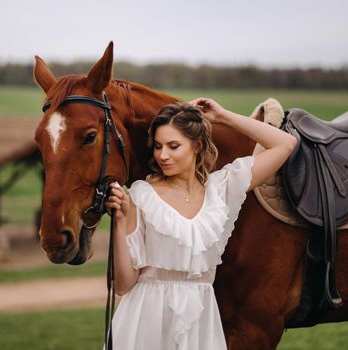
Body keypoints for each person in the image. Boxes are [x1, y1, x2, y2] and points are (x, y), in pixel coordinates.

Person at [104, 98, 297, 350]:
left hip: (201, 320)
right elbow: (124, 284)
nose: (163, 155)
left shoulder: (222, 190)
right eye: (158, 146)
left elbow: (285, 144)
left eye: (174, 146)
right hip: (145, 321)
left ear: (198, 145)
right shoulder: (141, 196)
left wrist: (224, 116)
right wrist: (120, 221)